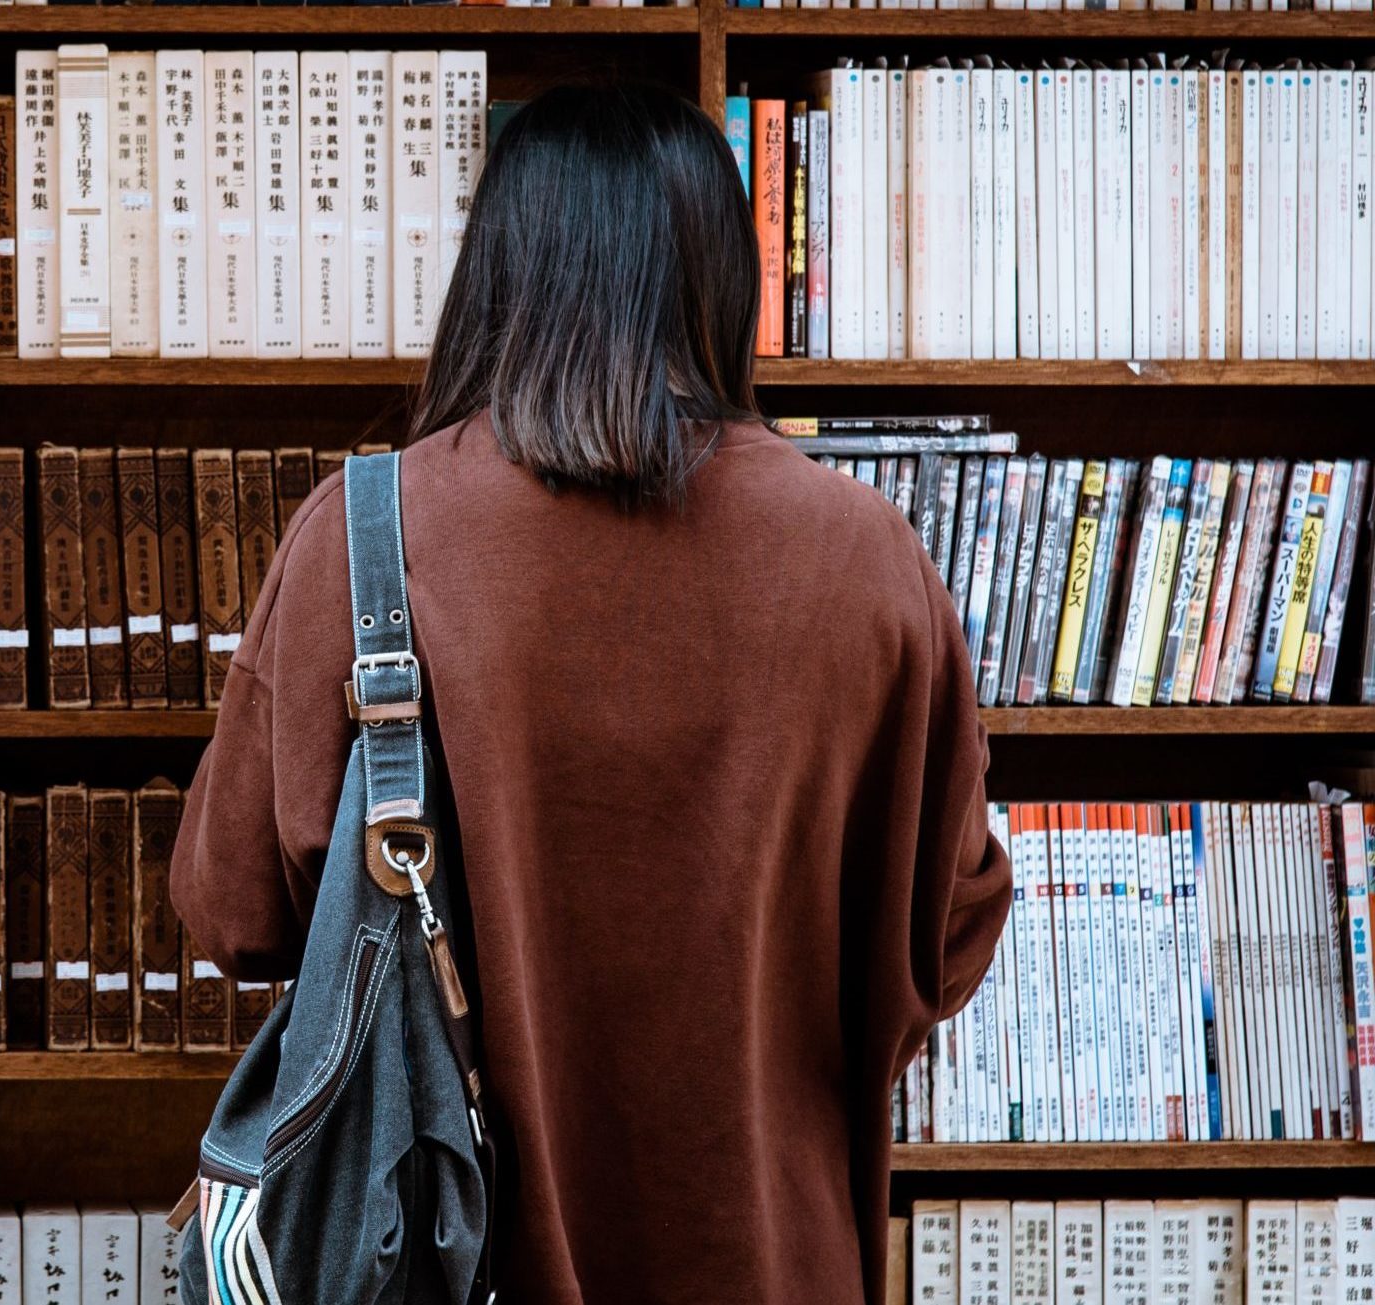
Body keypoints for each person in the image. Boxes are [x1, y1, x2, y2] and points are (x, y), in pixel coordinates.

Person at [168, 83, 1012, 1304]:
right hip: (777, 1261)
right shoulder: (867, 557)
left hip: (446, 1263)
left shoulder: (369, 538)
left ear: (496, 277)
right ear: (727, 282)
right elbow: (948, 932)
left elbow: (229, 909)